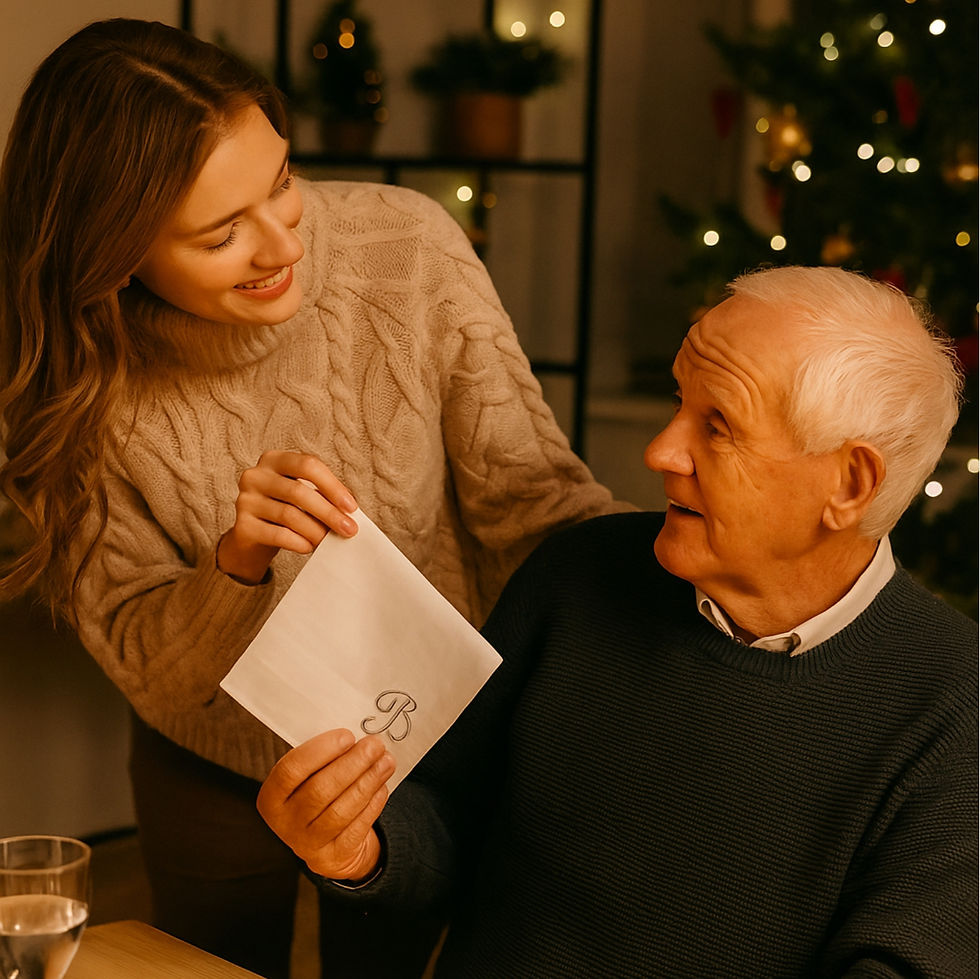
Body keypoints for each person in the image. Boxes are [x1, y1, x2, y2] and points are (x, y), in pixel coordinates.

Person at [0, 18, 625, 979]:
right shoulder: (78, 375)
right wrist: (235, 566)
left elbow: (531, 500)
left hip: (413, 742)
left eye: (281, 181)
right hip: (208, 759)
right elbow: (149, 663)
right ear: (116, 254)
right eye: (219, 233)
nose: (280, 240)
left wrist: (679, 567)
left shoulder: (408, 247)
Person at [259, 265, 978, 977]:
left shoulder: (953, 703)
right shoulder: (575, 574)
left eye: (718, 425)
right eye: (678, 403)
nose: (661, 451)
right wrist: (362, 849)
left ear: (850, 483)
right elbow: (448, 819)